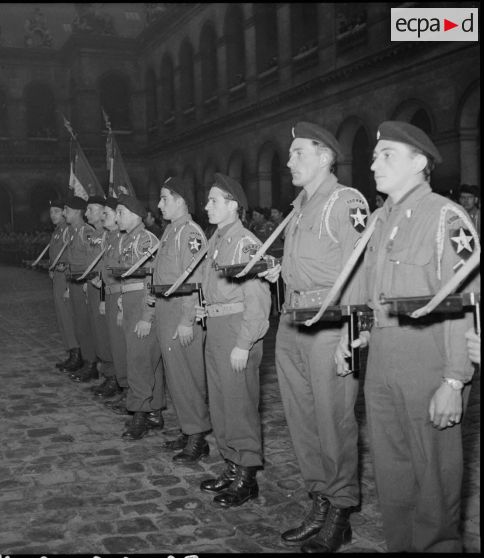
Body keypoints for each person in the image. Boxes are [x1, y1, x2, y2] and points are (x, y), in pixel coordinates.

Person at [335, 121, 480, 552]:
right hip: (382, 358)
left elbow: (465, 301)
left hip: (428, 357)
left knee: (434, 482)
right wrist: (353, 333)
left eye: (386, 155)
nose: (374, 162)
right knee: (393, 477)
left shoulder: (445, 217)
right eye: (375, 155)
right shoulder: (380, 220)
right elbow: (368, 290)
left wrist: (455, 381)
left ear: (419, 163)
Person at [262, 122, 369, 552]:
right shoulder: (299, 206)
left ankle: (341, 510)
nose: (289, 161)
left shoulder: (346, 201)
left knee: (334, 418)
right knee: (302, 419)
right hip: (291, 318)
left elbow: (360, 270)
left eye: (298, 153)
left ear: (325, 156)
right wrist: (280, 272)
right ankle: (320, 500)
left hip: (330, 320)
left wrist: (354, 333)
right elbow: (304, 263)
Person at [197, 173, 270, 507]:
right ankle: (230, 463)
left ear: (232, 205)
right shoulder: (217, 239)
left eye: (214, 200)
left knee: (239, 402)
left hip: (236, 329)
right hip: (216, 326)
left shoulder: (244, 242)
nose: (207, 205)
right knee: (222, 401)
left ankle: (247, 472)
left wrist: (245, 342)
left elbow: (257, 297)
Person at [154, 177, 211, 463]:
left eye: (165, 198)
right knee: (175, 378)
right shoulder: (170, 231)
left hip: (181, 311)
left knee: (188, 376)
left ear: (180, 200)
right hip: (167, 310)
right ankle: (189, 429)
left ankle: (198, 434)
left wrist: (188, 319)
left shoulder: (189, 232)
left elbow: (196, 279)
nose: (159, 204)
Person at [112, 194, 166, 440]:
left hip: (144, 303)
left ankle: (140, 415)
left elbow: (153, 280)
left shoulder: (146, 240)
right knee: (146, 360)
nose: (116, 217)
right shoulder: (127, 240)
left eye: (120, 212)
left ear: (135, 214)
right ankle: (154, 411)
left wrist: (147, 315)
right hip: (131, 303)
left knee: (139, 361)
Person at [70, 195, 114, 383]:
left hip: (104, 288)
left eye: (91, 209)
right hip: (93, 286)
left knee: (106, 333)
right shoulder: (95, 235)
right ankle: (104, 371)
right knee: (96, 331)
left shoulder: (108, 235)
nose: (87, 213)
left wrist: (102, 289)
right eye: (86, 209)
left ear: (103, 211)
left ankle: (113, 377)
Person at [92, 196, 129, 403]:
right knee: (113, 343)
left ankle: (125, 388)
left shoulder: (123, 238)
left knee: (122, 346)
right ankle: (117, 381)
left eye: (107, 213)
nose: (103, 217)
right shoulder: (111, 238)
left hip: (120, 295)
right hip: (110, 292)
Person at [61, 196, 98, 377]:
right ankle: (84, 359)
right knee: (78, 325)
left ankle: (91, 364)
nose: (63, 213)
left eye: (66, 210)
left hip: (84, 284)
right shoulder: (73, 232)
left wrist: (87, 282)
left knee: (85, 325)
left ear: (76, 212)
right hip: (74, 284)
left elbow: (93, 260)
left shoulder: (86, 232)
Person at [49, 199, 81, 372]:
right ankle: (71, 351)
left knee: (69, 317)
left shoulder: (68, 231)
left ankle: (77, 353)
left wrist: (68, 283)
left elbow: (71, 257)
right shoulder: (57, 231)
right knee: (62, 317)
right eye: (51, 211)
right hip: (57, 279)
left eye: (56, 211)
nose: (52, 215)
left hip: (66, 278)